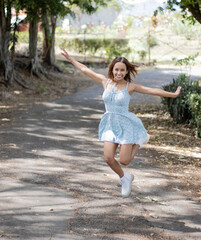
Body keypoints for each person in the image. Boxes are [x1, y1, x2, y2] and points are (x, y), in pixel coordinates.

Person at [61, 48, 182, 198]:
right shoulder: (105, 82)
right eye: (116, 69)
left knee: (124, 160)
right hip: (110, 124)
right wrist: (71, 59)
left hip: (125, 125)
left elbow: (152, 91)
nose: (119, 73)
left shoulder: (130, 87)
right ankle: (124, 178)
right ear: (112, 69)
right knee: (108, 158)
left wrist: (173, 94)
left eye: (122, 70)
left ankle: (138, 141)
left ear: (126, 72)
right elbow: (86, 70)